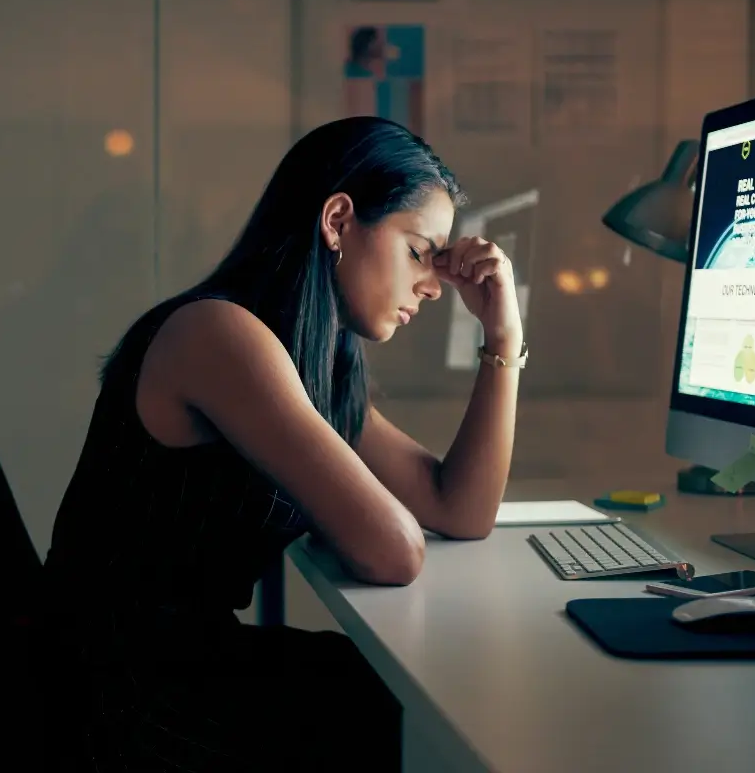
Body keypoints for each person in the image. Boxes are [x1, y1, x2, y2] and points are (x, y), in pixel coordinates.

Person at [41, 116, 523, 771]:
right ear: (337, 221)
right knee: (413, 719)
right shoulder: (219, 336)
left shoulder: (314, 366)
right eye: (418, 251)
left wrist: (501, 339)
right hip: (121, 699)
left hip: (183, 665)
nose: (434, 285)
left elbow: (458, 510)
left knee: (418, 698)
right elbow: (394, 553)